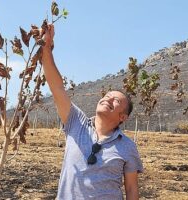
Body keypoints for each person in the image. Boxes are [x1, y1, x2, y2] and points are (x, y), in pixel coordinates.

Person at [41, 24, 143, 200]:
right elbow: (57, 87)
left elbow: (132, 189)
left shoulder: (127, 146)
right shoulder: (76, 122)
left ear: (122, 117)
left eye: (116, 100)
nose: (108, 99)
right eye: (107, 95)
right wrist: (46, 48)